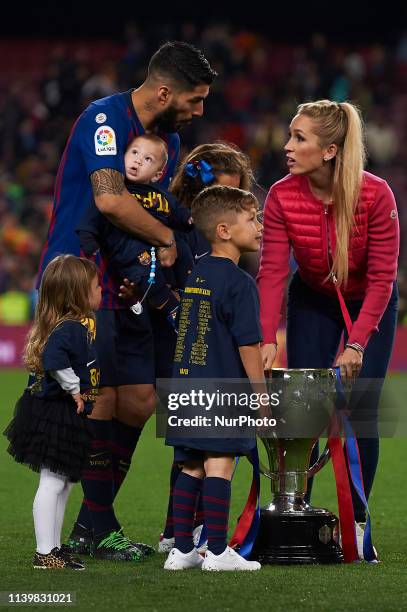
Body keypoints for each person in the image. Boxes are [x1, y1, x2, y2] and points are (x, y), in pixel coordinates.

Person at [40, 41, 216, 562]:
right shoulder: (105, 121)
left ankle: (94, 522)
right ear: (165, 91)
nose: (199, 110)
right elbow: (110, 199)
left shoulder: (170, 138)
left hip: (133, 286)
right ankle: (96, 523)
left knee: (140, 400)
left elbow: (154, 205)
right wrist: (165, 238)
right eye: (195, 98)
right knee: (99, 398)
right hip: (81, 276)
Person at [257, 99, 399, 558]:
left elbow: (382, 278)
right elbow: (273, 274)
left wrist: (357, 343)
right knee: (305, 406)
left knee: (360, 409)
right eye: (290, 134)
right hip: (314, 297)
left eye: (299, 138)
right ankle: (303, 516)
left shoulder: (376, 196)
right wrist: (263, 340)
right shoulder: (281, 194)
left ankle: (355, 518)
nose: (287, 146)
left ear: (331, 150)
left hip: (369, 304)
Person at [156, 142, 255, 552]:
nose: (260, 224)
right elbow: (248, 343)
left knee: (190, 464)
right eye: (252, 218)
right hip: (220, 385)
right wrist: (262, 395)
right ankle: (216, 550)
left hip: (185, 381)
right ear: (224, 229)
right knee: (221, 463)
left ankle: (179, 547)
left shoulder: (195, 275)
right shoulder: (237, 282)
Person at [3, 255, 101, 570]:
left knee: (64, 481)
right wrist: (74, 390)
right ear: (79, 293)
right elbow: (55, 358)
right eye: (96, 286)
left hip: (61, 412)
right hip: (56, 411)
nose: (101, 291)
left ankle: (55, 548)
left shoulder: (70, 325)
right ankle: (45, 553)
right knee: (53, 481)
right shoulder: (70, 328)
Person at [77, 133, 193, 323]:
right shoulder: (115, 190)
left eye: (148, 159)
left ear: (157, 174)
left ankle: (190, 293)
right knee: (145, 273)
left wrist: (187, 219)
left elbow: (177, 211)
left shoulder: (160, 195)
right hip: (130, 249)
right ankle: (173, 310)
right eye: (134, 153)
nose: (138, 161)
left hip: (160, 246)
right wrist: (89, 242)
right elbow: (89, 220)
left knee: (183, 249)